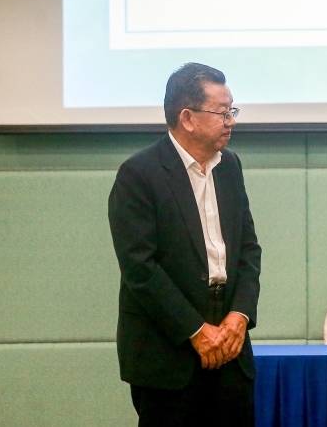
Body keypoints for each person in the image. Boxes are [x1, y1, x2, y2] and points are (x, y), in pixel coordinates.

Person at [108, 63, 262, 427]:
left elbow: (248, 249)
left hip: (230, 343)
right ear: (188, 118)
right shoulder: (139, 174)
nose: (231, 121)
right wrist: (195, 330)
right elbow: (140, 268)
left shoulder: (230, 166)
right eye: (222, 112)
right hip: (168, 349)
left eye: (232, 111)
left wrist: (240, 315)